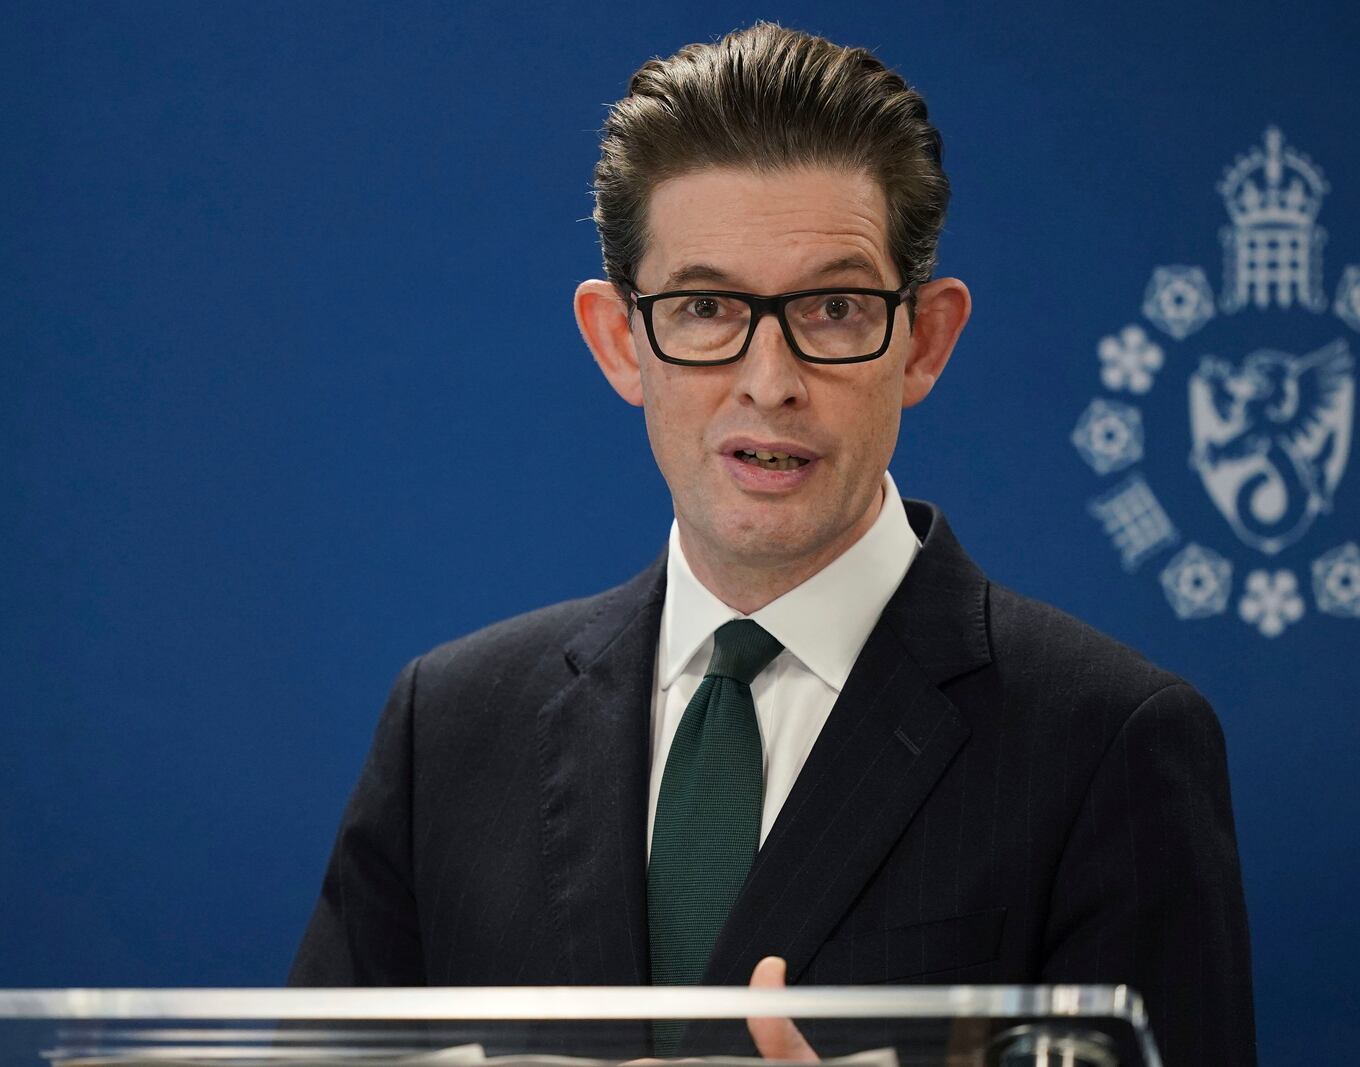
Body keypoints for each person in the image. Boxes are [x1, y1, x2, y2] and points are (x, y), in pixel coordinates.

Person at [289, 22, 1255, 1066]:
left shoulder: (1106, 744)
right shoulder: (450, 729)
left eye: (832, 309)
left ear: (923, 339)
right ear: (620, 339)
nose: (768, 379)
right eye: (705, 307)